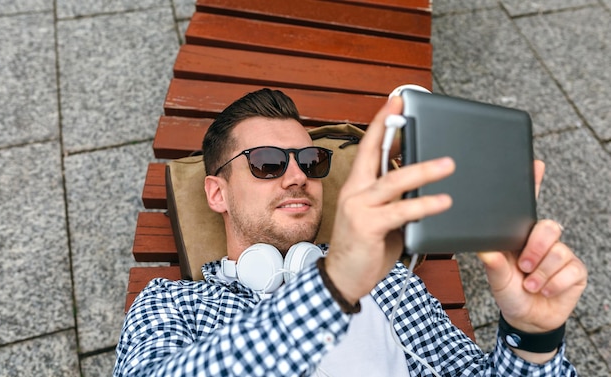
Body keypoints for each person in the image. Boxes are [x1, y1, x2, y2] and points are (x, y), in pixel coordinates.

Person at [114, 88, 587, 376]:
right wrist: (331, 287)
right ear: (216, 194)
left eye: (312, 161)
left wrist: (533, 342)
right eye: (266, 163)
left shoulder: (390, 283)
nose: (297, 176)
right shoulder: (172, 305)